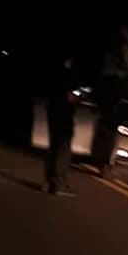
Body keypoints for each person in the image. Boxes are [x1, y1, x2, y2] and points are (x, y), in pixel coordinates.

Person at [45, 56, 77, 196]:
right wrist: (77, 98)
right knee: (62, 149)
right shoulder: (66, 75)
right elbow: (68, 96)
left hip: (52, 112)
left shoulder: (53, 73)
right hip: (63, 115)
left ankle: (48, 182)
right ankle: (58, 184)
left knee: (53, 147)